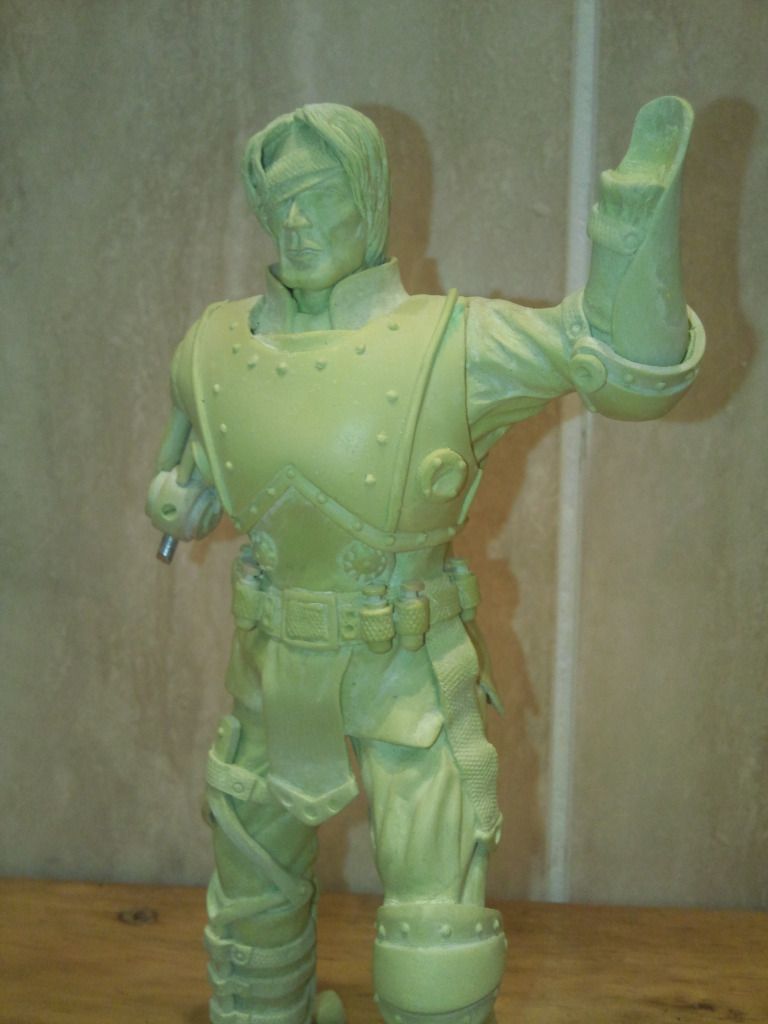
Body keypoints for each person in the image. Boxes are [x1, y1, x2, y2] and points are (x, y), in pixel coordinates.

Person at [146, 100, 704, 1024]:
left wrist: (633, 228)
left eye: (320, 194)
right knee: (251, 941)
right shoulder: (212, 348)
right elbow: (190, 476)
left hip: (406, 673)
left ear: (369, 198)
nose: (297, 220)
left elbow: (626, 368)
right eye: (279, 202)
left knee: (434, 947)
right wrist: (181, 497)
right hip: (270, 675)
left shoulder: (455, 342)